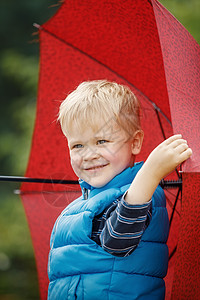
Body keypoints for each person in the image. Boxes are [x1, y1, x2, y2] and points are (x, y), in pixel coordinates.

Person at [47, 80, 192, 300]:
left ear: (135, 143)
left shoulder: (141, 193)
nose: (89, 154)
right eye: (78, 145)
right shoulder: (77, 207)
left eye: (101, 141)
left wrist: (151, 173)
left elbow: (118, 239)